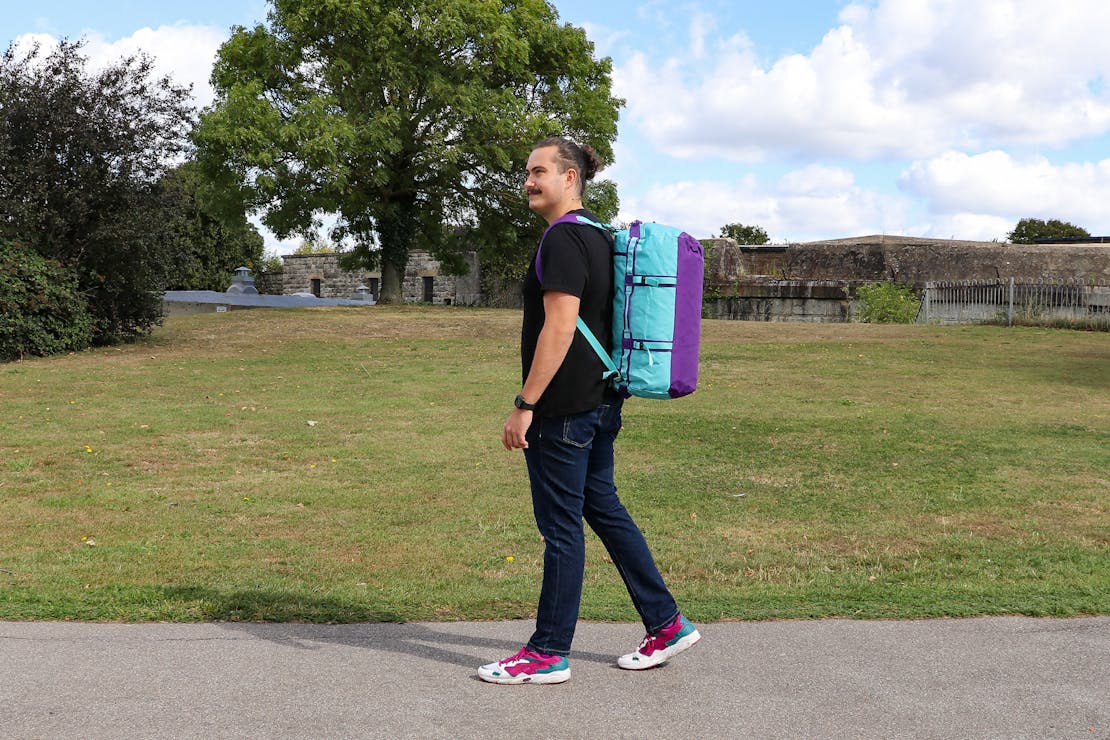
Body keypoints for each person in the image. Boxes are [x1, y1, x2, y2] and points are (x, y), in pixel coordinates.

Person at [477, 137, 700, 685]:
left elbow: (559, 327)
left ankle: (548, 652)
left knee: (561, 530)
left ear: (570, 178)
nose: (528, 181)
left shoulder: (561, 241)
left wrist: (524, 405)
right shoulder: (601, 237)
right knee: (604, 510)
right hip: (602, 404)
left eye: (538, 172)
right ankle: (666, 623)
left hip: (564, 412)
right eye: (527, 172)